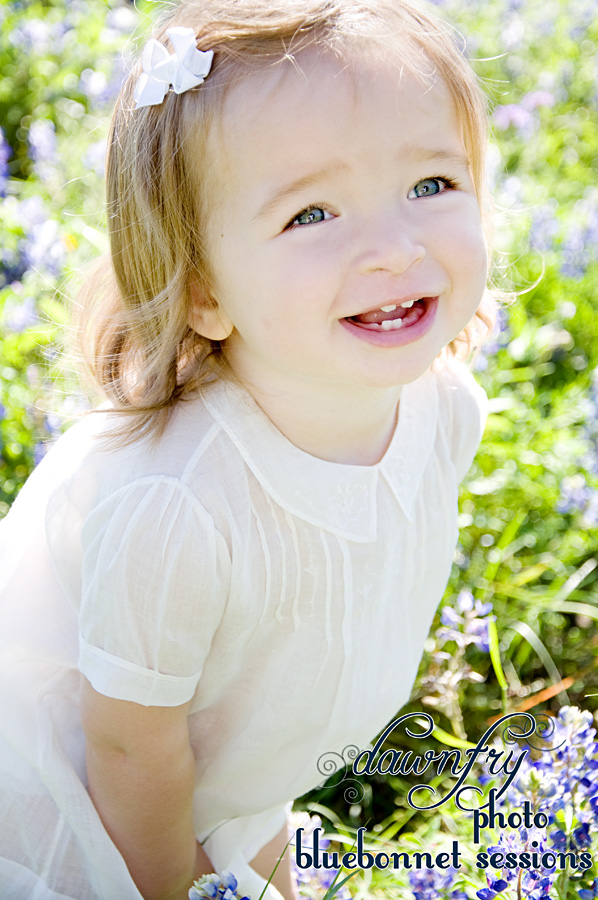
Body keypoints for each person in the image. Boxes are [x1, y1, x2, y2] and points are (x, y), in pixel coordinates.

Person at [0, 0, 497, 897]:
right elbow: (127, 749)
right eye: (312, 214)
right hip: (94, 804)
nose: (393, 247)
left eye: (431, 186)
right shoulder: (176, 506)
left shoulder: (446, 408)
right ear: (201, 294)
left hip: (231, 767)